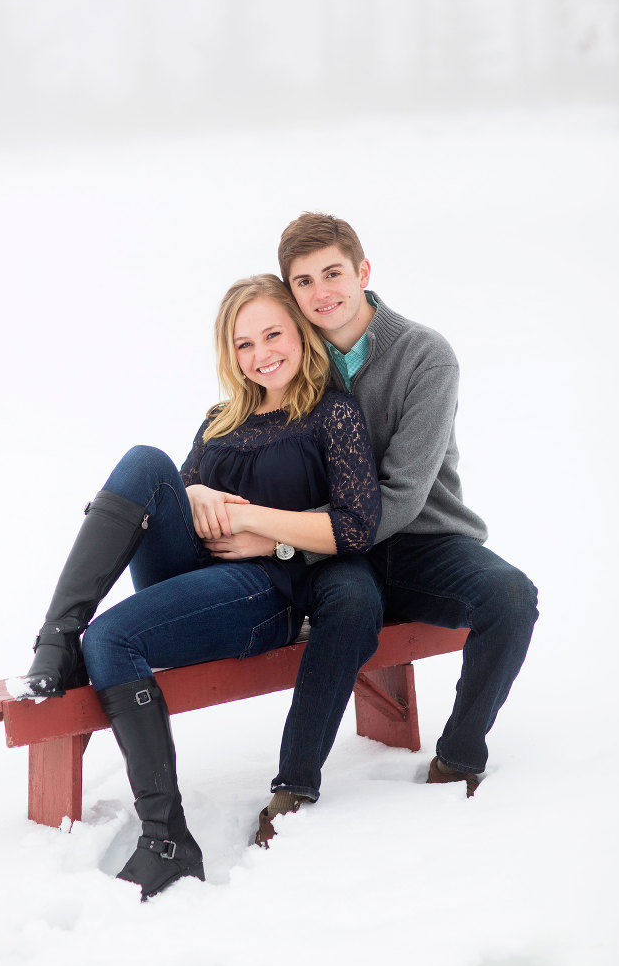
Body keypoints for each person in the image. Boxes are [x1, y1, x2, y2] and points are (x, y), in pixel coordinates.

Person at [9, 272, 381, 900]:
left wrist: (269, 535)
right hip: (195, 576)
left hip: (266, 594)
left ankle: (166, 837)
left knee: (114, 639)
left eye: (272, 334)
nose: (260, 354)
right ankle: (57, 636)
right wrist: (198, 491)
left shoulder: (331, 414)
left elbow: (356, 525)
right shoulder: (219, 421)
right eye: (243, 344)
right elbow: (163, 504)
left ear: (300, 332)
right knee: (145, 461)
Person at [204, 214, 539, 841]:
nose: (321, 292)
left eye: (333, 273)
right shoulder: (294, 354)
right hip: (335, 553)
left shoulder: (424, 355)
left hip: (422, 540)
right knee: (350, 605)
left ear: (362, 271)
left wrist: (281, 539)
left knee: (511, 596)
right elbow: (251, 434)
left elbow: (406, 497)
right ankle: (293, 786)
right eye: (303, 281)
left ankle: (459, 756)